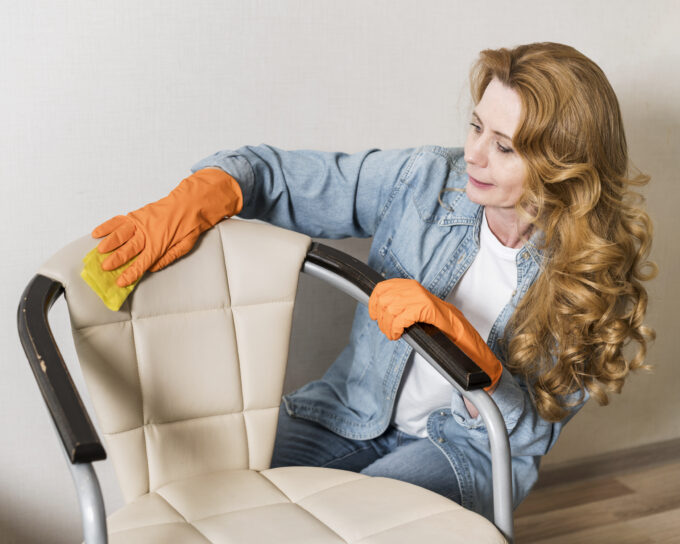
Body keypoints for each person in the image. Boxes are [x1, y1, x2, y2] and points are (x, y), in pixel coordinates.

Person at [90, 42, 656, 521]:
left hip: (466, 451)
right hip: (350, 412)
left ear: (562, 162)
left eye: (504, 147)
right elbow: (276, 176)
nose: (474, 155)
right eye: (476, 126)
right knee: (202, 488)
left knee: (343, 524)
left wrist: (466, 346)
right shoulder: (427, 180)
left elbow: (529, 432)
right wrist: (205, 195)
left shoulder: (593, 272)